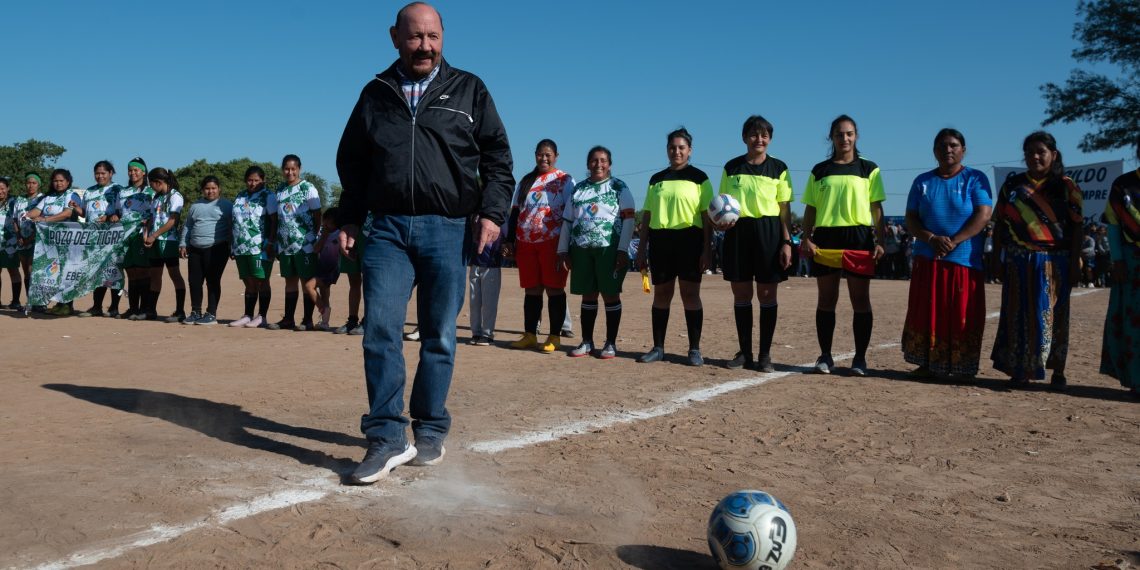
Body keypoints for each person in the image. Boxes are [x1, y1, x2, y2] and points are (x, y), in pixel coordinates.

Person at [335, 1, 514, 483]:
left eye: (433, 37)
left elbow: (498, 157)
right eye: (415, 37)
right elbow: (352, 161)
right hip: (388, 229)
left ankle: (430, 428)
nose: (425, 46)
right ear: (395, 37)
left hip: (448, 228)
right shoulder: (375, 93)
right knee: (381, 331)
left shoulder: (470, 89)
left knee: (438, 335)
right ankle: (387, 435)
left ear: (443, 38)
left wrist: (493, 214)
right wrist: (350, 217)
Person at [991, 131, 1082, 390]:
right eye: (1030, 152)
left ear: (1053, 155)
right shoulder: (1013, 186)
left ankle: (1057, 369)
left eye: (1041, 152)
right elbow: (1000, 225)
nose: (1035, 157)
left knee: (1054, 315)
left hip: (1055, 261)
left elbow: (1077, 228)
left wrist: (1075, 262)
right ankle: (1020, 369)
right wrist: (997, 257)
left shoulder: (1066, 187)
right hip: (1019, 259)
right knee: (1017, 314)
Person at [901, 129, 993, 379]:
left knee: (961, 314)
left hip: (963, 260)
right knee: (927, 312)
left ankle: (962, 366)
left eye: (953, 145)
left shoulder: (976, 179)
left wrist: (954, 241)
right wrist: (931, 238)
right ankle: (928, 363)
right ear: (934, 151)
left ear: (963, 149)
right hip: (927, 258)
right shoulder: (922, 182)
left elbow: (983, 214)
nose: (948, 150)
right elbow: (911, 218)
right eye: (942, 146)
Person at [800, 115, 886, 376]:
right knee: (827, 298)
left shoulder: (869, 169)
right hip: (826, 238)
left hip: (858, 237)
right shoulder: (820, 170)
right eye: (839, 134)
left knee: (860, 299)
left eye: (849, 133)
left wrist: (880, 240)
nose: (844, 138)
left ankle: (860, 358)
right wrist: (806, 236)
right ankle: (825, 356)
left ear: (856, 136)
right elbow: (810, 208)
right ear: (832, 138)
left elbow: (876, 208)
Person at [714, 115, 795, 372]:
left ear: (769, 139)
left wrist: (786, 242)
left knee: (767, 294)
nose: (759, 139)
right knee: (742, 293)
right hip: (739, 232)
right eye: (753, 134)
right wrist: (719, 223)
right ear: (744, 137)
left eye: (764, 135)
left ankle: (765, 354)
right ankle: (745, 352)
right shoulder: (732, 167)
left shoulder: (779, 168)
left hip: (769, 232)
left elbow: (784, 208)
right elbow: (721, 204)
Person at [635, 127, 714, 366]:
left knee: (690, 295)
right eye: (672, 147)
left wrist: (707, 248)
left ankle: (694, 349)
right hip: (661, 241)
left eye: (681, 147)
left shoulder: (700, 178)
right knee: (661, 294)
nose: (676, 151)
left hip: (690, 240)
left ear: (689, 150)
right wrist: (641, 248)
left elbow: (707, 216)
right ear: (667, 150)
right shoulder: (656, 180)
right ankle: (658, 347)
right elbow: (647, 215)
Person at [558, 146, 636, 359]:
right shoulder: (579, 189)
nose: (598, 164)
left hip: (609, 249)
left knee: (610, 294)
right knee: (588, 294)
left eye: (603, 160)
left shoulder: (619, 187)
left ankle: (610, 343)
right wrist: (563, 250)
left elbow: (629, 219)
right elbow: (567, 221)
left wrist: (622, 249)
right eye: (594, 160)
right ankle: (587, 341)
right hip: (581, 249)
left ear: (609, 164)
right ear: (587, 164)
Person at [503, 139, 574, 354]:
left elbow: (571, 213)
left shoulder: (564, 180)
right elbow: (515, 212)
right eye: (540, 154)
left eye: (548, 154)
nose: (544, 158)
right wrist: (509, 240)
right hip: (526, 242)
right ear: (535, 155)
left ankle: (554, 336)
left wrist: (567, 244)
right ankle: (530, 335)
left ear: (556, 156)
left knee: (554, 289)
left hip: (552, 242)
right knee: (531, 290)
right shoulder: (526, 181)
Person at [1099, 136, 1140, 397]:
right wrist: (1117, 260)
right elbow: (1113, 226)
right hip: (1132, 263)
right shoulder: (1123, 186)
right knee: (1134, 324)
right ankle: (1137, 380)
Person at [266, 154, 322, 331]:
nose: (289, 172)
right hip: (285, 245)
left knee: (307, 282)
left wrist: (315, 238)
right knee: (289, 282)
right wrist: (274, 241)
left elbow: (317, 215)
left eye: (293, 169)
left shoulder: (308, 188)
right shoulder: (280, 189)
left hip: (305, 244)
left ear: (299, 169)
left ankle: (307, 320)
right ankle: (288, 319)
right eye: (286, 169)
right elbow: (277, 218)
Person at [178, 175, 233, 325]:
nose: (210, 191)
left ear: (219, 189)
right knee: (194, 281)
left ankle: (211, 313)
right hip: (195, 249)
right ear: (203, 190)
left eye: (213, 188)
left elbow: (232, 227)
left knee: (213, 281)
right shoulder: (195, 206)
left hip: (217, 248)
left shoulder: (226, 206)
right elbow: (188, 226)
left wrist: (232, 246)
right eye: (207, 189)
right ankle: (196, 312)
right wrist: (183, 243)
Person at [26, 169, 81, 315]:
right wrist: (24, 215)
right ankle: (57, 303)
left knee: (67, 272)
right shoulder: (48, 197)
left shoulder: (71, 195)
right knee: (54, 272)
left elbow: (67, 213)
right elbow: (35, 212)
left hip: (68, 241)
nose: (58, 183)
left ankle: (67, 304)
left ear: (68, 182)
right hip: (50, 243)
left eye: (61, 180)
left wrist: (45, 220)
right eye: (56, 180)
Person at [228, 166, 277, 328]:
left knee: (262, 281)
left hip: (260, 246)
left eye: (256, 180)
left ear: (263, 180)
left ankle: (262, 316)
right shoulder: (241, 195)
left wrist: (270, 242)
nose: (253, 183)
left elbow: (274, 221)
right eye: (250, 180)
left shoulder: (268, 196)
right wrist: (233, 244)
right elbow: (235, 221)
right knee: (248, 282)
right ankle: (247, 315)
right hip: (241, 247)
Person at [136, 167, 186, 322]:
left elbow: (172, 221)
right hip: (155, 241)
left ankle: (179, 312)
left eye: (151, 183)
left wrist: (155, 235)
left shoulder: (175, 196)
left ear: (158, 182)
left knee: (174, 275)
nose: (150, 186)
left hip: (169, 242)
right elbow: (152, 218)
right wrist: (147, 234)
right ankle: (151, 311)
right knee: (155, 275)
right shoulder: (156, 197)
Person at [74, 161, 123, 318]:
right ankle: (96, 306)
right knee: (97, 272)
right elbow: (84, 214)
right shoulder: (89, 191)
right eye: (97, 173)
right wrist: (77, 208)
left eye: (103, 173)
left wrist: (112, 217)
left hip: (112, 238)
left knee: (114, 272)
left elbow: (122, 211)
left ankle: (114, 307)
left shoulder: (118, 190)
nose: (100, 176)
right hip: (93, 239)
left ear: (111, 173)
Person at [110, 158, 155, 319]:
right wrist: (114, 216)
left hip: (140, 235)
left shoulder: (150, 191)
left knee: (144, 272)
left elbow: (156, 214)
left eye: (136, 170)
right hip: (124, 236)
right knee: (131, 272)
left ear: (143, 172)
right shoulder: (122, 192)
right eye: (130, 170)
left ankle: (145, 308)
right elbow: (116, 212)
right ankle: (133, 308)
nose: (133, 173)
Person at [467, 219, 503, 345]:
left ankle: (487, 334)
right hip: (475, 263)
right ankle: (476, 332)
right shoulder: (474, 215)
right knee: (474, 301)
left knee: (489, 303)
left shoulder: (497, 216)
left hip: (491, 264)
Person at [313, 207, 340, 331]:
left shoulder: (339, 234)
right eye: (324, 221)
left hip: (330, 269)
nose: (325, 224)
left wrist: (325, 236)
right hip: (322, 266)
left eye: (328, 222)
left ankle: (322, 309)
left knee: (308, 286)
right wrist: (323, 235)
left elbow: (317, 249)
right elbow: (316, 249)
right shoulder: (323, 233)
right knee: (325, 294)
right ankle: (325, 322)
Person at [0, 178, 22, 309]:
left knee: (13, 271)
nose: (0, 191)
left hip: (10, 243)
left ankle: (16, 301)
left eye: (2, 188)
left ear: (8, 188)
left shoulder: (14, 202)